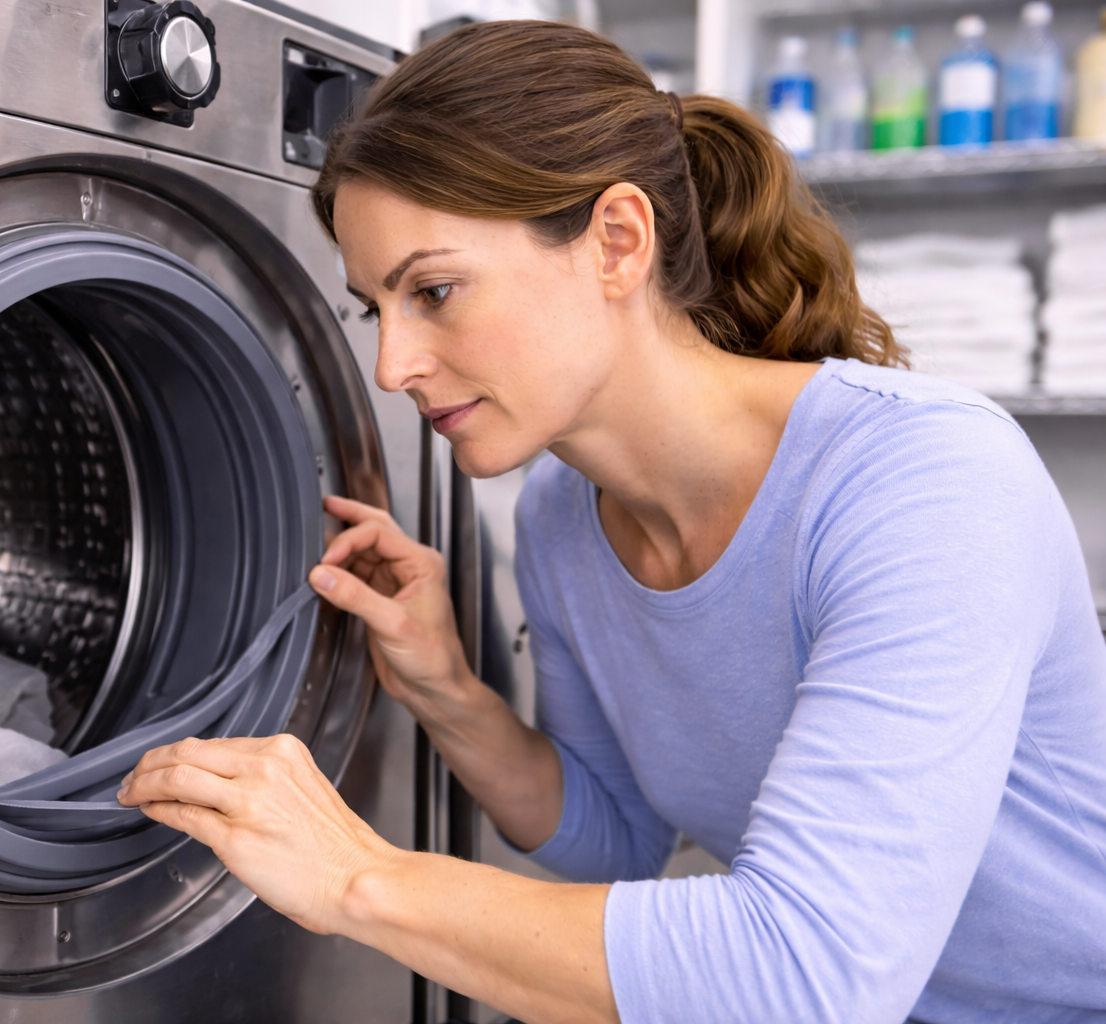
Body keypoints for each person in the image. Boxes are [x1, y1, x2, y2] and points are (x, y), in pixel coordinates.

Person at [116, 21, 1106, 1023]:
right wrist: (451, 690)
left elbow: (807, 975)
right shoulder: (564, 513)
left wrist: (353, 876)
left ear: (618, 243)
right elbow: (617, 836)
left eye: (437, 290)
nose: (393, 366)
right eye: (380, 309)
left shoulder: (920, 480)